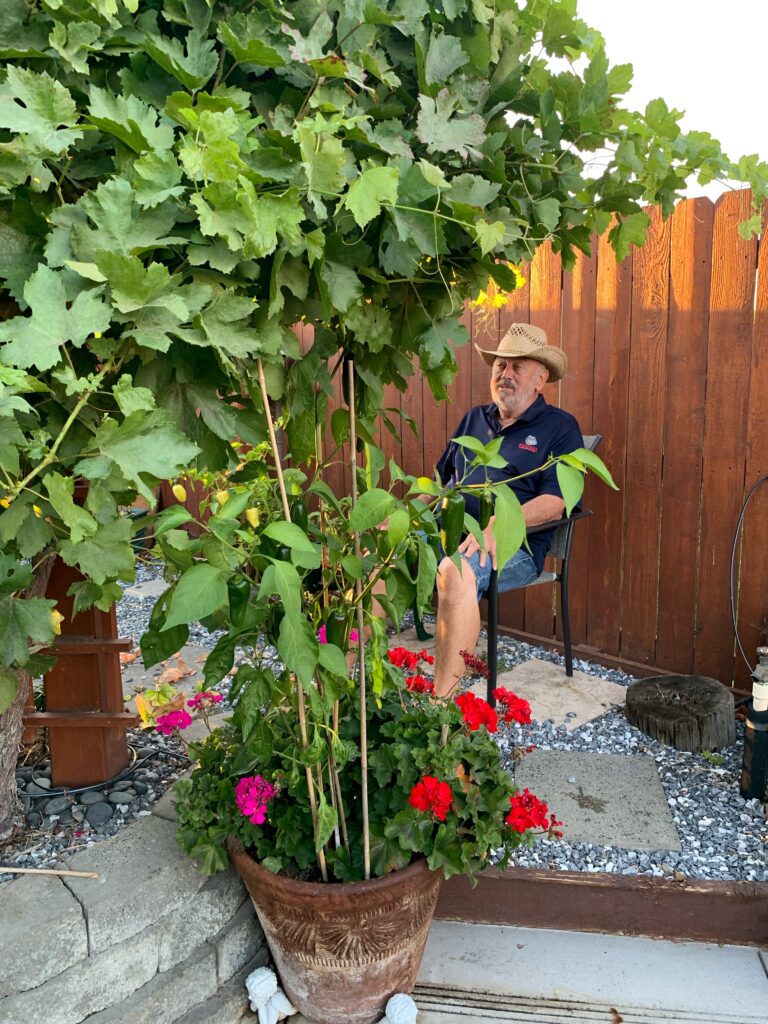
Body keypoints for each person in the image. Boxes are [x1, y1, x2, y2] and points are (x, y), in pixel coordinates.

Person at [431, 323, 583, 697]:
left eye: (518, 366)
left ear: (540, 378)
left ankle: (442, 708)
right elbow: (440, 481)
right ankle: (350, 685)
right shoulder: (474, 419)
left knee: (455, 571)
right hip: (448, 527)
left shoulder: (560, 428)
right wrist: (402, 513)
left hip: (512, 545)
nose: (505, 374)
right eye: (500, 365)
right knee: (378, 551)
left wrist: (498, 526)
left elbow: (556, 501)